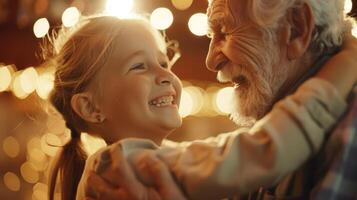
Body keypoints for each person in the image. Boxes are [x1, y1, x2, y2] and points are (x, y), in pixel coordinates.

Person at [77, 0, 357, 199]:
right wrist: (344, 66)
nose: (211, 60)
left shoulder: (348, 133)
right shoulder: (114, 165)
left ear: (296, 28)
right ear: (90, 107)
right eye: (138, 66)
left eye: (224, 32)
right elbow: (264, 153)